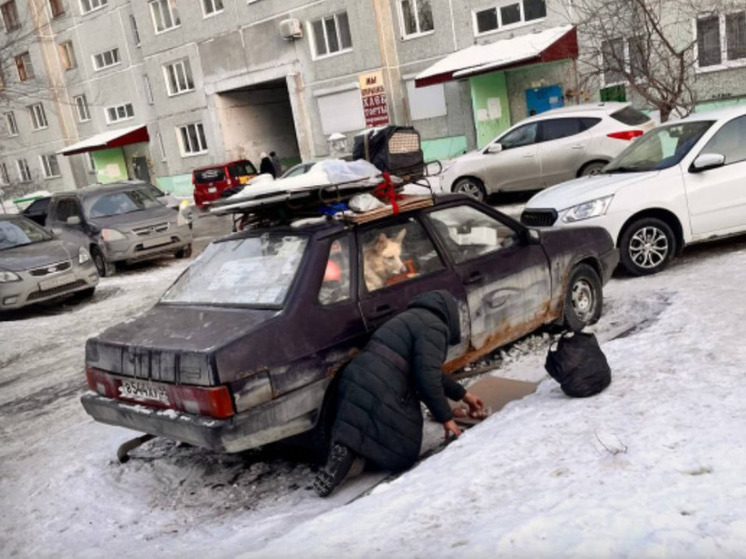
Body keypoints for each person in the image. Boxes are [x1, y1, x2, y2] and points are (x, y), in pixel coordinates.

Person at [314, 290, 484, 497]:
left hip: (355, 375)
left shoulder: (407, 318)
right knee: (404, 452)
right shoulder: (436, 327)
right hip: (385, 382)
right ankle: (355, 458)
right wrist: (446, 418)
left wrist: (463, 395)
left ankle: (348, 451)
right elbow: (427, 379)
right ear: (450, 315)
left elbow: (429, 372)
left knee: (358, 419)